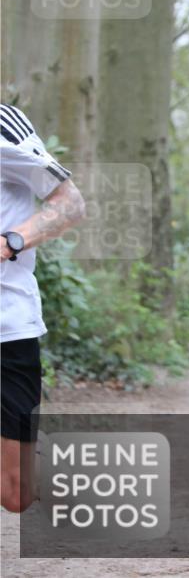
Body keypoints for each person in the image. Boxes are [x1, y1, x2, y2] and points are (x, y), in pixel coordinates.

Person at [1, 103, 86, 513]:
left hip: (7, 327)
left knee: (16, 495)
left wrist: (11, 242)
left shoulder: (3, 127)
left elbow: (69, 205)